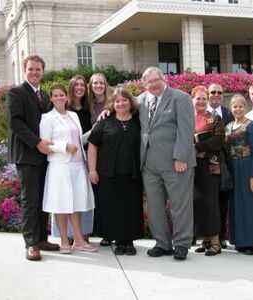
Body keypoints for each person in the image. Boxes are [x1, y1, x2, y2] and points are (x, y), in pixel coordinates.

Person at [6, 55, 60, 261]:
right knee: (30, 200)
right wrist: (37, 142)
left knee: (42, 198)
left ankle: (41, 238)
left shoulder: (45, 96)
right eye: (31, 69)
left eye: (38, 69)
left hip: (45, 156)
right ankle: (31, 244)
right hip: (27, 154)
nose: (35, 72)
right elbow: (15, 123)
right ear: (25, 70)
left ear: (43, 72)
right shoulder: (16, 93)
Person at [139, 67, 196, 260]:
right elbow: (117, 108)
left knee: (180, 206)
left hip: (176, 162)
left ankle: (181, 244)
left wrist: (181, 157)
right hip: (149, 165)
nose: (153, 85)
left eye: (156, 80)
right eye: (149, 82)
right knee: (154, 206)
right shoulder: (140, 101)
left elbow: (186, 130)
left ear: (163, 79)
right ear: (144, 85)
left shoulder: (180, 98)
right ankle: (162, 243)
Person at [40, 84, 96, 254]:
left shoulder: (73, 115)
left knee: (77, 204)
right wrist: (64, 147)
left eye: (61, 95)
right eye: (55, 95)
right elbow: (45, 143)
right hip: (60, 166)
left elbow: (79, 139)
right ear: (51, 98)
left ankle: (78, 240)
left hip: (78, 166)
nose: (59, 98)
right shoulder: (47, 118)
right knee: (61, 204)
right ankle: (64, 240)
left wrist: (98, 127)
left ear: (66, 97)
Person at [88, 88, 143, 256]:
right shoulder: (104, 121)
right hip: (108, 174)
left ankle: (129, 241)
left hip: (132, 174)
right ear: (113, 104)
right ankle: (118, 241)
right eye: (117, 101)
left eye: (124, 100)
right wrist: (92, 170)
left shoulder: (139, 121)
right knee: (113, 208)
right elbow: (92, 145)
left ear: (130, 102)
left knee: (131, 208)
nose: (121, 103)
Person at [50, 75, 94, 242]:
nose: (80, 88)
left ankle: (81, 235)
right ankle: (65, 237)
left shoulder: (86, 109)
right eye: (76, 85)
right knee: (63, 200)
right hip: (63, 161)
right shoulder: (60, 111)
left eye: (83, 85)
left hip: (81, 158)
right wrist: (65, 147)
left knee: (80, 200)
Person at [225, 94, 253, 255]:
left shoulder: (252, 126)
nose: (238, 109)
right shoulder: (228, 126)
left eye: (241, 106)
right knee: (237, 205)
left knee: (252, 205)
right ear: (231, 109)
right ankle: (240, 241)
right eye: (235, 106)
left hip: (248, 167)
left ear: (246, 107)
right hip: (233, 169)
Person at [192, 86, 225, 256]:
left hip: (210, 166)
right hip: (193, 166)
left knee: (211, 203)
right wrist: (193, 150)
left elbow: (219, 140)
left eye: (204, 98)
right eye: (198, 98)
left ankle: (215, 242)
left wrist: (197, 146)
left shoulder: (215, 118)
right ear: (192, 100)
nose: (201, 101)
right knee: (198, 202)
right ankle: (205, 240)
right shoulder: (187, 118)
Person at [207, 83, 234, 249]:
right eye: (213, 92)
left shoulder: (229, 114)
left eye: (219, 92)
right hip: (203, 163)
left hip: (223, 164)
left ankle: (221, 236)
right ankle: (204, 235)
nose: (216, 94)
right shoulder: (200, 112)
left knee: (222, 201)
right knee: (205, 200)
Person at [88, 73, 112, 246]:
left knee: (110, 194)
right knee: (99, 195)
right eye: (95, 83)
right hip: (94, 150)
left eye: (101, 82)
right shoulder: (88, 104)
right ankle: (102, 230)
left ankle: (110, 232)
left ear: (105, 84)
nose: (98, 85)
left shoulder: (112, 102)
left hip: (110, 151)